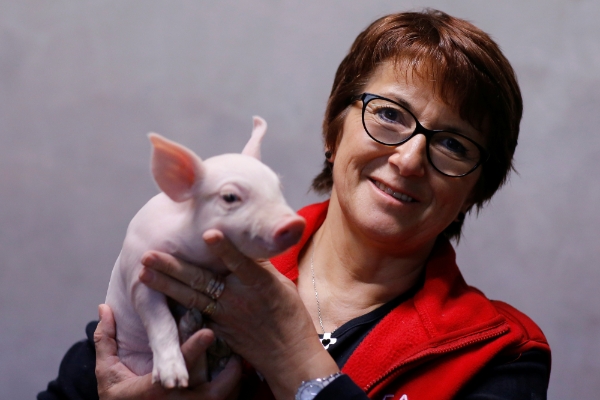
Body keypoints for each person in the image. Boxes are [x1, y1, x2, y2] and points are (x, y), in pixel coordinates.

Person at [39, 9, 551, 400]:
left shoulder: (501, 352)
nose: (409, 159)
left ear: (478, 188)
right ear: (333, 129)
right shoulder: (195, 255)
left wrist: (296, 360)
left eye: (453, 145)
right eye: (390, 114)